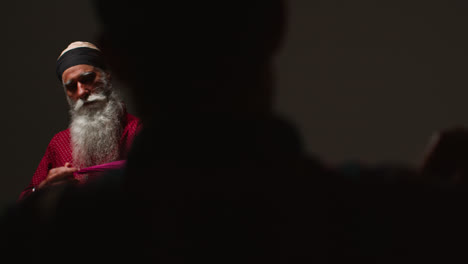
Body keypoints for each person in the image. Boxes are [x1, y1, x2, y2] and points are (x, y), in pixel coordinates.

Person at [18, 41, 142, 200]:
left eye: (88, 78)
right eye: (71, 86)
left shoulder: (139, 132)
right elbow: (25, 201)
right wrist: (44, 188)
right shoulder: (59, 143)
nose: (82, 91)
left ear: (107, 77)